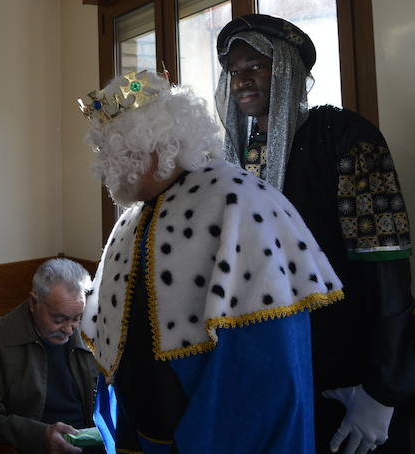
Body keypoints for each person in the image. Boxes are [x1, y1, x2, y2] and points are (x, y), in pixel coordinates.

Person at [77, 71, 343, 454]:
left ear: (147, 145)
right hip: (144, 433)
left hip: (215, 436)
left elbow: (265, 363)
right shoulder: (131, 220)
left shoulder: (237, 201)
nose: (104, 166)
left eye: (110, 152)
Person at [215, 14, 415, 454]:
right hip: (275, 366)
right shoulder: (242, 155)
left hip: (348, 371)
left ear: (288, 68)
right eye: (233, 71)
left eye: (256, 66)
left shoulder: (344, 137)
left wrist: (383, 389)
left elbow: (386, 264)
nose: (241, 80)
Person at [0, 257, 99, 454]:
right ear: (33, 302)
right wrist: (41, 435)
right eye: (58, 319)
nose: (69, 329)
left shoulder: (92, 328)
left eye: (76, 318)